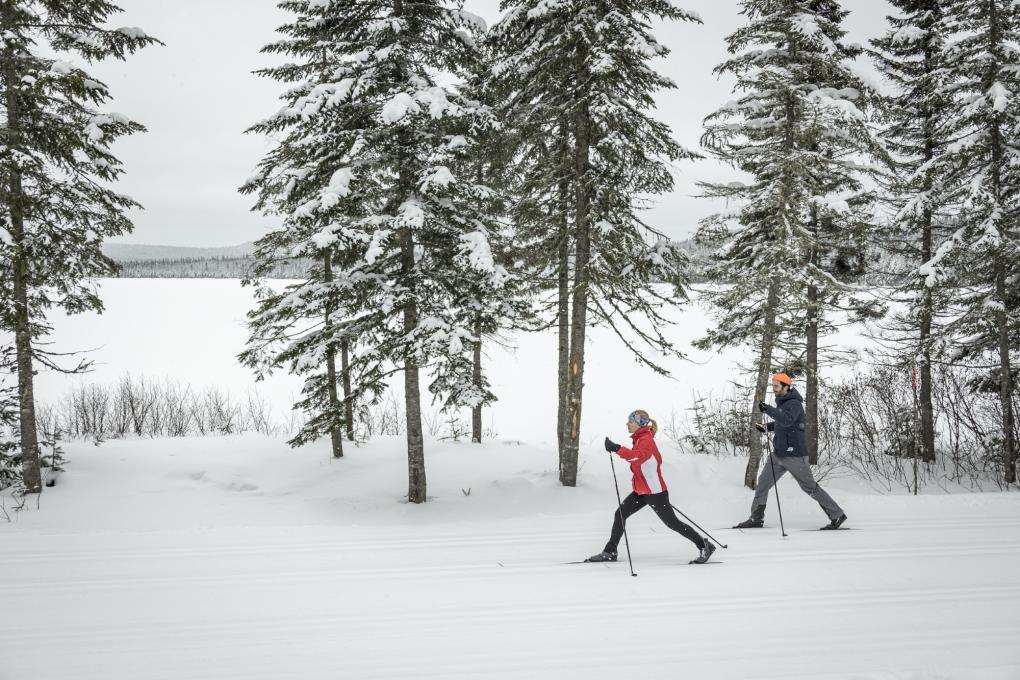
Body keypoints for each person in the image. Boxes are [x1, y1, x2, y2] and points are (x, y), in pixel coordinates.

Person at [587, 409, 716, 564]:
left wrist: (617, 448)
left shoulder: (646, 440)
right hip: (642, 491)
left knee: (673, 523)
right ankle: (610, 551)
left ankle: (704, 545)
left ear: (639, 424)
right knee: (620, 514)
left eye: (631, 421)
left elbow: (637, 458)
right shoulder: (639, 438)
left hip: (655, 492)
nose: (627, 424)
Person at [733, 373, 848, 530]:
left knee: (809, 487)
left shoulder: (794, 404)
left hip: (795, 455)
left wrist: (767, 409)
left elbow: (787, 420)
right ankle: (756, 518)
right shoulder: (783, 403)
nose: (773, 389)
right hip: (778, 454)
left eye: (776, 386)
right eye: (772, 386)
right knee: (762, 486)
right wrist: (765, 427)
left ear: (786, 387)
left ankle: (837, 515)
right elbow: (783, 423)